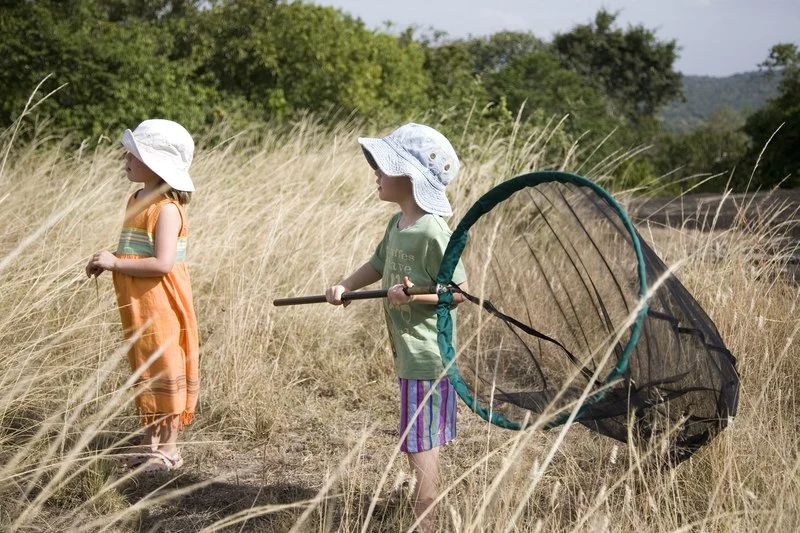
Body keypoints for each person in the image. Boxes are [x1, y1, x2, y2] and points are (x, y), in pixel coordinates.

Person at [325, 123, 468, 531]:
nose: (376, 174)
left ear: (411, 178)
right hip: (407, 352)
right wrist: (346, 287)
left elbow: (458, 292)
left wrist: (414, 296)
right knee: (419, 442)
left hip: (427, 354)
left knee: (418, 445)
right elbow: (377, 264)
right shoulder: (398, 225)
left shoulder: (434, 231)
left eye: (383, 168)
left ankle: (426, 521)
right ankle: (426, 509)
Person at [86, 119, 200, 474]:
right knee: (146, 367)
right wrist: (111, 262)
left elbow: (163, 264)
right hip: (138, 301)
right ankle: (151, 444)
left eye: (134, 154)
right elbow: (135, 252)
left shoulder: (166, 208)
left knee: (164, 367)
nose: (126, 158)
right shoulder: (136, 199)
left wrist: (115, 262)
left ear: (156, 164)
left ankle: (169, 450)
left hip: (161, 301)